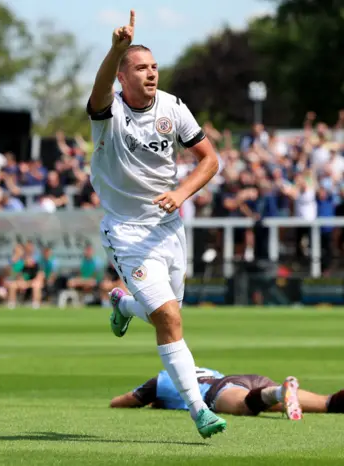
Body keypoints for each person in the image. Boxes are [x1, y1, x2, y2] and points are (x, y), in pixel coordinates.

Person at [87, 9, 225, 438]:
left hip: (168, 228)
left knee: (167, 314)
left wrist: (181, 194)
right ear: (122, 78)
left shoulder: (173, 107)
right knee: (168, 318)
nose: (151, 74)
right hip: (127, 231)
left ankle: (124, 306)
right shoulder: (107, 111)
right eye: (141, 68)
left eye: (154, 67)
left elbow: (210, 159)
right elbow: (97, 92)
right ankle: (199, 410)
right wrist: (117, 48)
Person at [110, 367, 344, 418]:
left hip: (223, 391)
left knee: (242, 407)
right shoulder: (201, 367)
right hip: (246, 377)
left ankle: (283, 390)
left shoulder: (163, 378)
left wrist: (150, 399)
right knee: (327, 403)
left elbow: (121, 402)